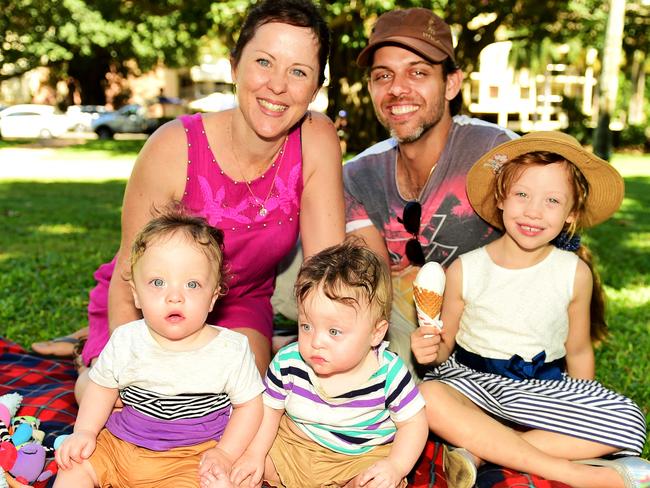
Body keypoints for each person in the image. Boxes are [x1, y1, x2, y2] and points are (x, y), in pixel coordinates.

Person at [34, 0, 345, 387]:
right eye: (264, 62)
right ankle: (90, 349)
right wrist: (125, 366)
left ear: (316, 88)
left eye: (298, 71)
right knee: (127, 402)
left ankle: (268, 342)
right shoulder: (173, 147)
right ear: (235, 66)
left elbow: (326, 271)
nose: (278, 85)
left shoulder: (316, 139)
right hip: (155, 298)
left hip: (238, 301)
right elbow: (131, 273)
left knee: (236, 399)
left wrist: (335, 357)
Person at [411, 132, 649, 488]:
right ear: (501, 199)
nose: (534, 211)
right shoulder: (465, 269)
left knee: (629, 419)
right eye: (522, 194)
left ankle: (481, 451)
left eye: (552, 200)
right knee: (427, 397)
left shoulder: (574, 273)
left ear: (571, 214)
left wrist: (577, 408)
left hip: (543, 391)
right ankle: (571, 472)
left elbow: (579, 350)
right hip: (473, 385)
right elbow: (444, 348)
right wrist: (428, 347)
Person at [342, 8, 518, 370]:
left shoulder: (497, 155)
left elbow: (555, 257)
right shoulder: (359, 176)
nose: (397, 88)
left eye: (418, 72)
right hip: (401, 331)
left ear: (451, 84)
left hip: (496, 336)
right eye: (383, 75)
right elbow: (370, 286)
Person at [54, 208, 264, 488]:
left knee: (218, 483)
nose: (174, 296)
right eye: (157, 283)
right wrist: (84, 431)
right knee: (74, 467)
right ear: (136, 294)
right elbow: (102, 387)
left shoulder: (231, 349)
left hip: (192, 457)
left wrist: (225, 453)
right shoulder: (126, 339)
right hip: (120, 446)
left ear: (213, 298)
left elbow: (250, 406)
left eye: (192, 284)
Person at [223, 241, 428, 488]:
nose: (316, 341)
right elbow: (270, 410)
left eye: (334, 331)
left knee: (378, 483)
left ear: (376, 333)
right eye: (306, 326)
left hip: (359, 457)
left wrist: (396, 465)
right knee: (241, 473)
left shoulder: (389, 373)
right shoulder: (288, 362)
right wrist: (254, 454)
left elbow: (413, 422)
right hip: (294, 447)